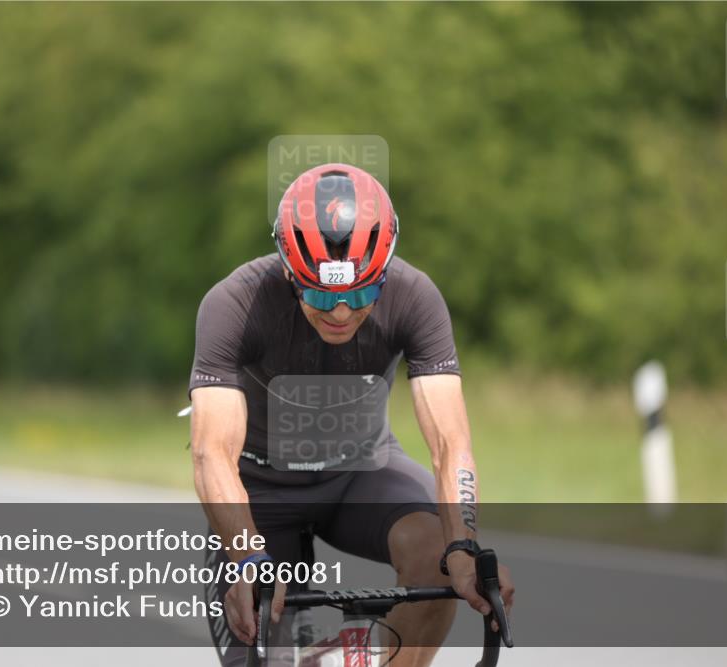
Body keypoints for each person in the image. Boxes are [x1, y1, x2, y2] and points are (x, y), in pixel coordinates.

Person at [189, 163, 514, 666]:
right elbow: (212, 453)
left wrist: (464, 546)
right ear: (289, 272)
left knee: (438, 556)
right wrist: (246, 557)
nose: (340, 313)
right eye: (321, 295)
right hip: (260, 487)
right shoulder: (234, 304)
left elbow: (450, 444)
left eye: (361, 294)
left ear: (384, 272)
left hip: (361, 470)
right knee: (260, 641)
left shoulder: (416, 297)